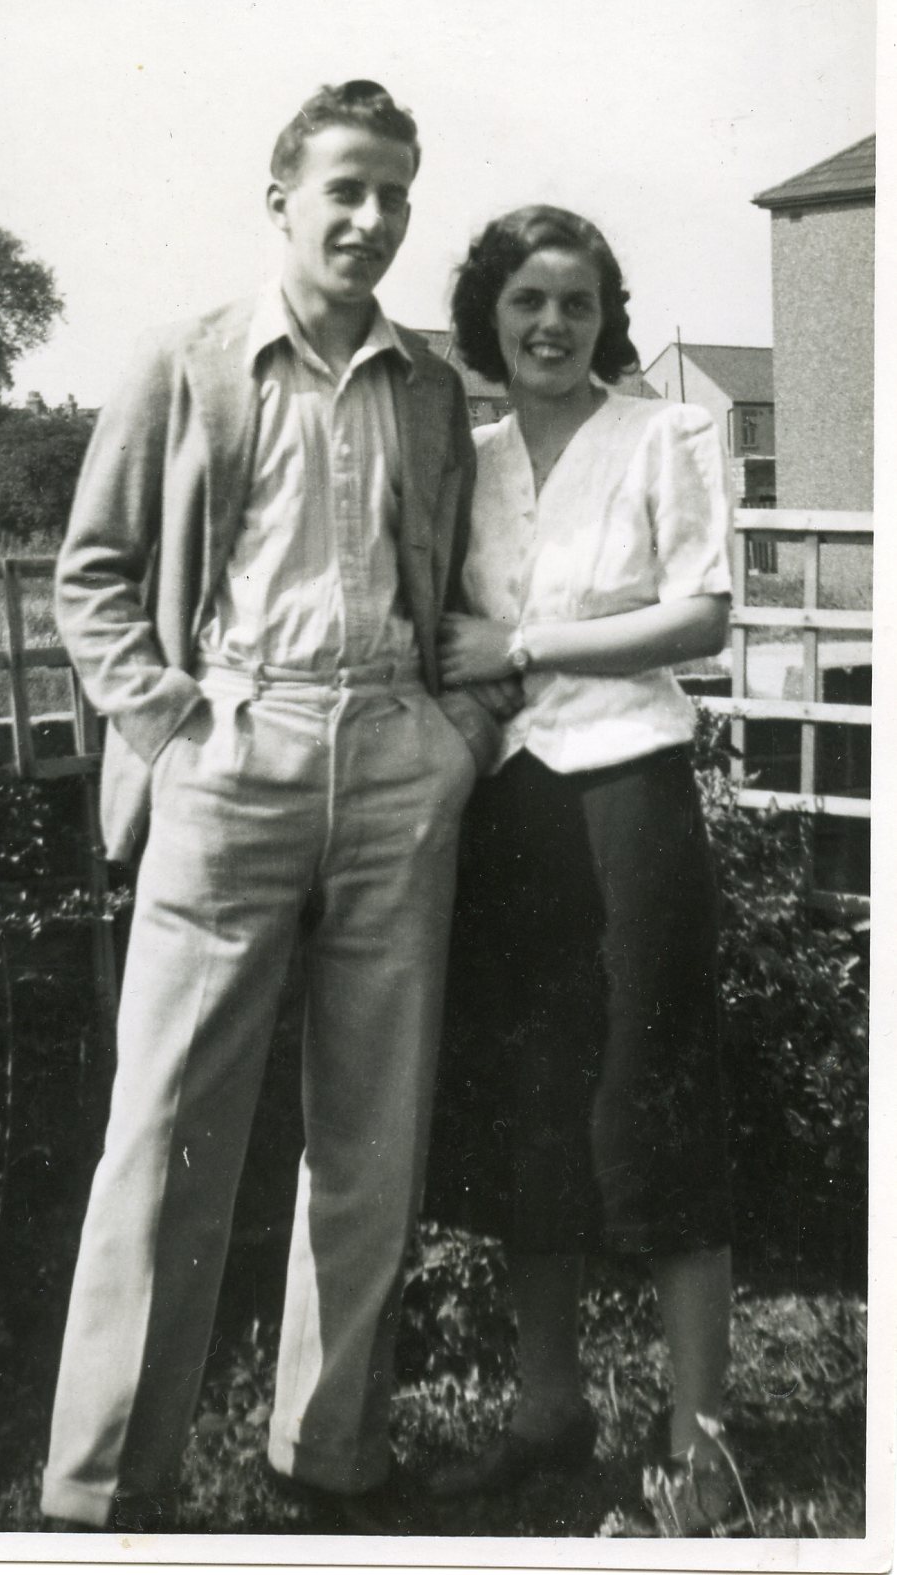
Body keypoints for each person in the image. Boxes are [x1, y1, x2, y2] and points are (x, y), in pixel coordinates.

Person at [40, 80, 507, 1535]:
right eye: (346, 191)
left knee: (373, 1134)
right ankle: (105, 1483)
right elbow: (93, 575)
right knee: (168, 1126)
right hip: (229, 749)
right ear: (282, 200)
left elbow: (464, 598)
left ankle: (332, 1456)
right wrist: (177, 733)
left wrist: (456, 740)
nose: (372, 221)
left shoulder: (431, 387)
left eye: (395, 198)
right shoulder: (187, 364)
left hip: (390, 757)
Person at [432, 205, 738, 1534]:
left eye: (572, 302)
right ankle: (547, 1410)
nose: (549, 326)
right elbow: (439, 620)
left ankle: (701, 1450)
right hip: (509, 806)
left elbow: (705, 613)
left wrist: (529, 647)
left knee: (649, 1091)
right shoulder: (470, 456)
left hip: (629, 797)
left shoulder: (666, 434)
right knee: (528, 1101)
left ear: (605, 313)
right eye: (523, 304)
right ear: (488, 320)